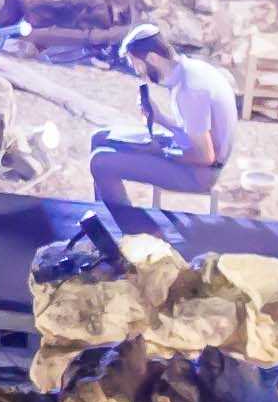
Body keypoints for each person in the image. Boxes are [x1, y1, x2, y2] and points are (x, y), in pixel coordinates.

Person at [86, 23, 242, 262]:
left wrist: (161, 152)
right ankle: (111, 219)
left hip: (201, 172)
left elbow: (205, 156)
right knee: (99, 137)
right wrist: (159, 119)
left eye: (136, 64)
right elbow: (194, 133)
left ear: (152, 58)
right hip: (193, 152)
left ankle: (147, 237)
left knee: (100, 162)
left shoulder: (190, 90)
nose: (138, 72)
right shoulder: (190, 71)